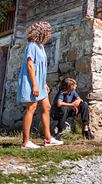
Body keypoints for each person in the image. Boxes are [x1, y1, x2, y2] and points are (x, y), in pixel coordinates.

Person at [17, 21, 63, 149]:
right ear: (41, 32)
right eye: (47, 31)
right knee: (31, 108)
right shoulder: (31, 45)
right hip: (32, 81)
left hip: (39, 82)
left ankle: (48, 139)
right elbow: (30, 66)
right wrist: (35, 85)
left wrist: (44, 83)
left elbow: (41, 67)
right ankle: (26, 142)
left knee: (46, 107)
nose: (49, 34)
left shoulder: (41, 46)